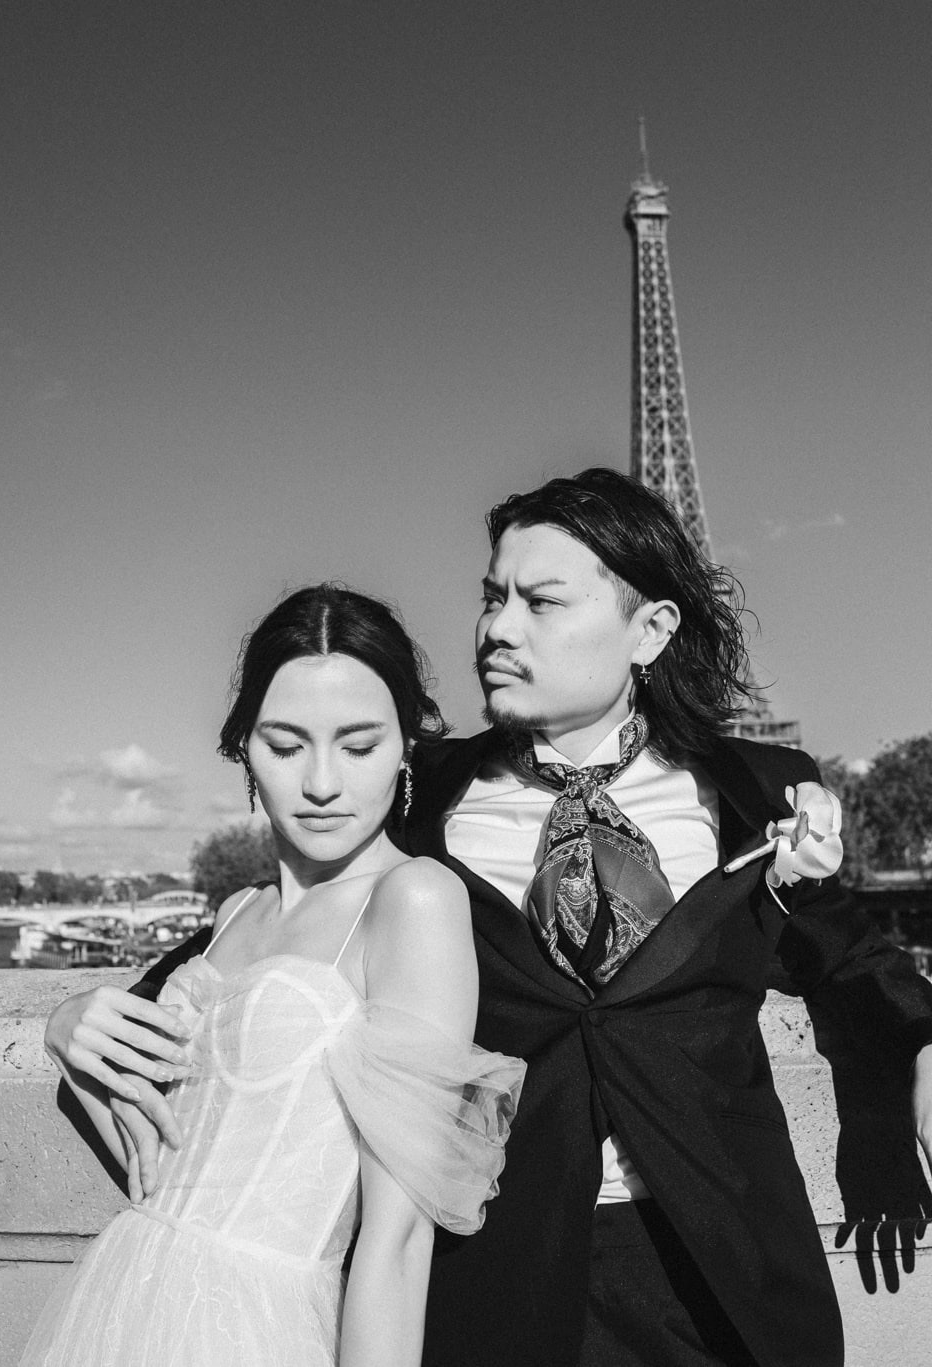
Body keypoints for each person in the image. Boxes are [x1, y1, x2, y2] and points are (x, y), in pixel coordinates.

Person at [49, 470, 932, 1367]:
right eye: (492, 596)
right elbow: (283, 923)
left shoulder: (758, 790)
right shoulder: (418, 792)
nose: (497, 628)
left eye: (540, 602)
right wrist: (89, 1011)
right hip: (500, 1280)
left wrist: (924, 1048)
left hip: (720, 1266)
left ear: (650, 629)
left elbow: (849, 955)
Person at [23, 585, 524, 1367]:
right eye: (286, 745)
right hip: (123, 1302)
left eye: (358, 746)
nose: (322, 782)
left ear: (405, 747)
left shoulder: (414, 900)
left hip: (262, 1330)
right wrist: (63, 1030)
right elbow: (160, 1158)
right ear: (244, 750)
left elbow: (398, 1239)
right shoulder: (236, 913)